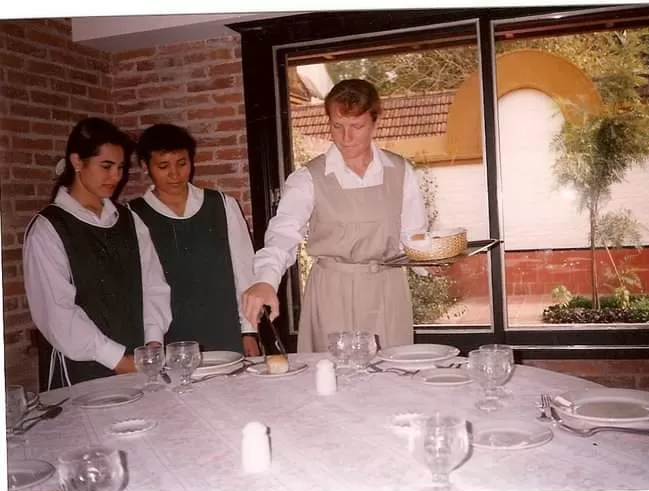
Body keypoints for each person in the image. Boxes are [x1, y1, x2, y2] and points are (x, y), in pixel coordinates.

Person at [242, 78, 427, 352]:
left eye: (357, 126)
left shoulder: (401, 172)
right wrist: (266, 280)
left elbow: (414, 237)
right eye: (337, 126)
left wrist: (430, 262)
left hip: (387, 291)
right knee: (333, 380)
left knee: (390, 380)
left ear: (376, 122)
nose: (346, 137)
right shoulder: (308, 178)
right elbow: (283, 233)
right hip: (331, 292)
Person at [23, 117, 172, 387]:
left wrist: (153, 342)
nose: (116, 177)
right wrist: (118, 360)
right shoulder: (48, 229)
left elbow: (153, 285)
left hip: (138, 361)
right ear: (77, 162)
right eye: (106, 166)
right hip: (82, 370)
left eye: (120, 167)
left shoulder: (129, 220)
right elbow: (57, 313)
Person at [128, 123, 260, 356]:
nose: (175, 174)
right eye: (163, 166)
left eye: (182, 164)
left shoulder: (221, 205)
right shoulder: (133, 215)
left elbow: (245, 271)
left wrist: (249, 331)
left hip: (225, 333)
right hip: (170, 341)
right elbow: (145, 288)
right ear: (145, 166)